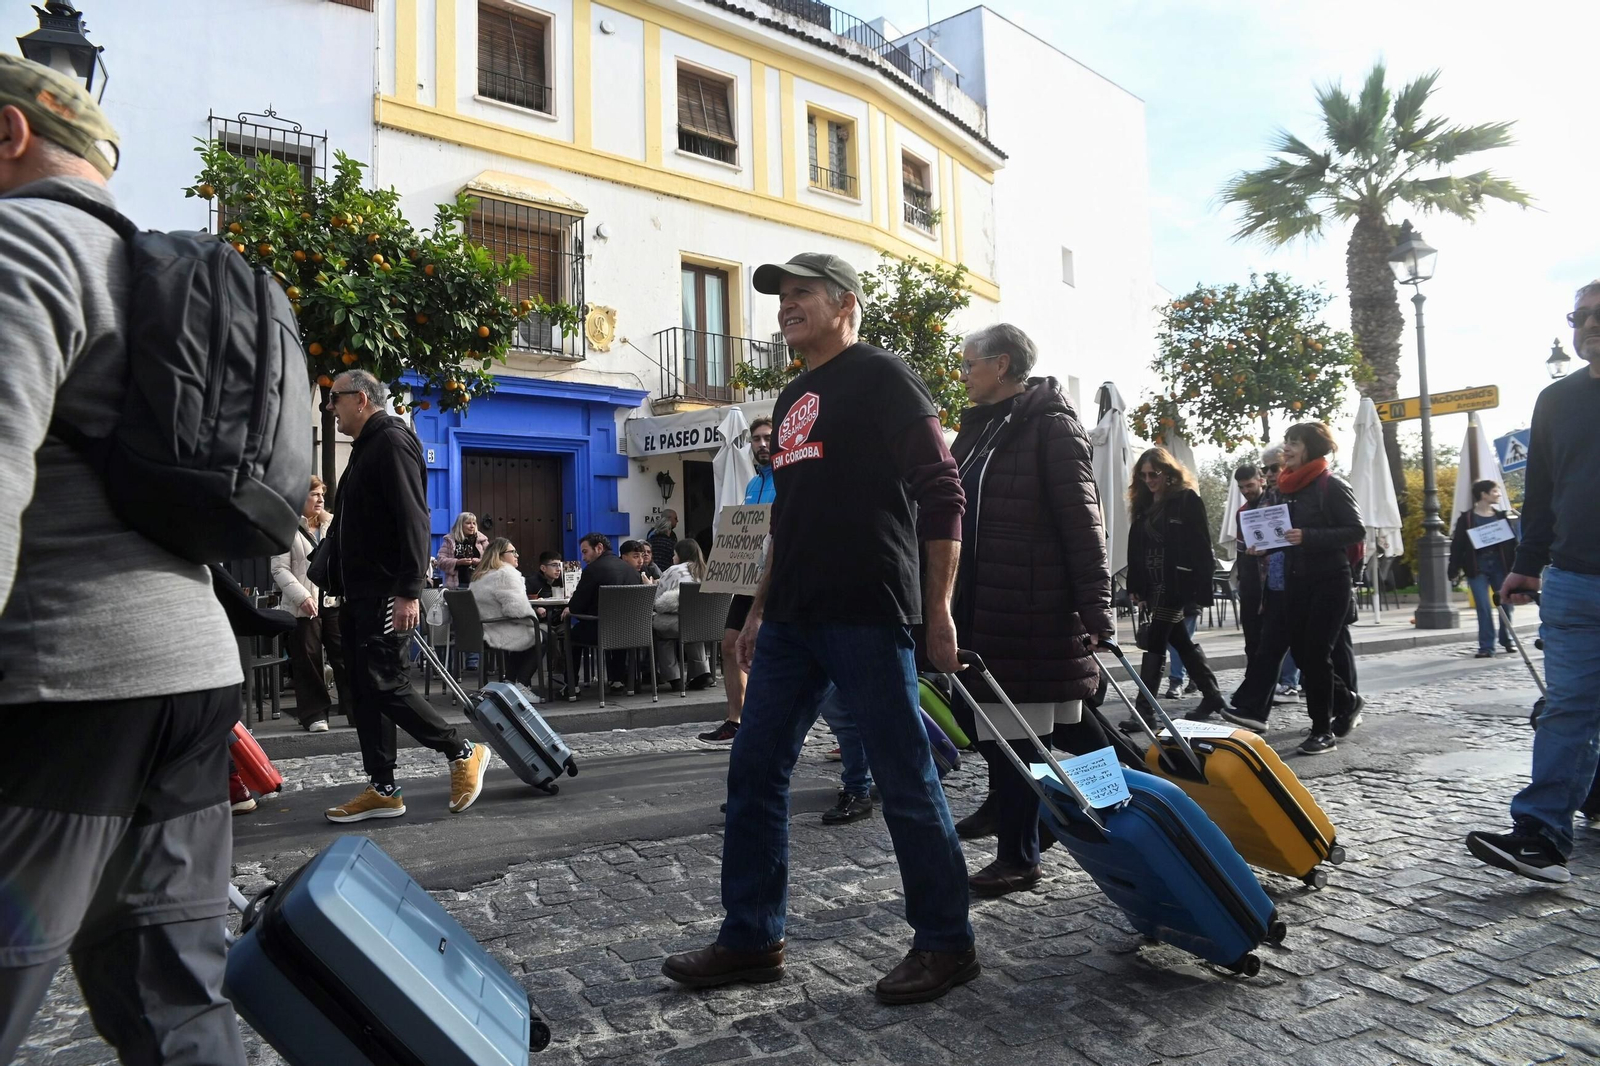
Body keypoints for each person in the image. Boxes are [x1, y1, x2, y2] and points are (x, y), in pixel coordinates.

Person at [0, 56, 248, 1063]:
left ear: (9, 133)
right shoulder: (152, 270)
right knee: (174, 1000)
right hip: (194, 675)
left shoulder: (18, 241)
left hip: (68, 682)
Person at [661, 252, 976, 1005]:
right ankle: (752, 938)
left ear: (845, 305)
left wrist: (938, 610)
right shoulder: (794, 393)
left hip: (868, 608)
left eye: (802, 293)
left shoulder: (883, 376)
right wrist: (757, 610)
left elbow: (943, 489)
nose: (785, 306)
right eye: (782, 297)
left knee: (904, 777)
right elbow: (787, 516)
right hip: (792, 618)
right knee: (753, 771)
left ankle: (946, 943)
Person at [946, 324, 1115, 896]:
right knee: (1020, 726)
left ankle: (1021, 854)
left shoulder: (1052, 427)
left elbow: (1083, 527)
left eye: (968, 363)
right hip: (983, 607)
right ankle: (1106, 800)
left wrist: (1097, 612)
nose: (962, 374)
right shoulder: (977, 429)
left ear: (1001, 364)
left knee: (1022, 734)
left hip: (1034, 611)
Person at [1466, 279, 1600, 884]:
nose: (1589, 324)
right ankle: (1540, 836)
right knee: (1567, 708)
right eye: (1580, 316)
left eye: (1599, 314)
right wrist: (1526, 562)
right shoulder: (1556, 400)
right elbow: (1541, 494)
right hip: (1572, 582)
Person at [320, 369, 491, 823]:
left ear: (360, 399)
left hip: (383, 591)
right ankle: (383, 788)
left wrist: (408, 591)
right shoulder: (367, 445)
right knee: (365, 689)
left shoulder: (391, 440)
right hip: (359, 593)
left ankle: (462, 751)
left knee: (384, 681)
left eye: (334, 399)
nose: (329, 408)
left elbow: (414, 519)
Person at [1222, 423, 1364, 754]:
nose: (1287, 448)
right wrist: (1263, 547)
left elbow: (1355, 530)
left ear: (1312, 448)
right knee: (1301, 653)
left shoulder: (1331, 485)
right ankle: (1347, 700)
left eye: (1295, 443)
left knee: (1316, 653)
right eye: (1286, 442)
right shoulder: (1283, 488)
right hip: (1293, 580)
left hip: (1329, 580)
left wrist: (1308, 536)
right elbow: (1279, 534)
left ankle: (1322, 730)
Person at [1124, 447, 1228, 723]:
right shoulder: (1143, 503)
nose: (1149, 480)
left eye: (1154, 474)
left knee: (1157, 640)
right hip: (1152, 583)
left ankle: (1144, 711)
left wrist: (1200, 587)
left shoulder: (1186, 499)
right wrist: (1136, 585)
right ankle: (1212, 695)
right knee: (1179, 640)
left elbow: (1202, 545)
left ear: (1168, 473)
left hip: (1176, 584)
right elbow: (1136, 548)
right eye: (1144, 475)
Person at [697, 416, 776, 743]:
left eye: (767, 437)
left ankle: (775, 722)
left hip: (776, 579)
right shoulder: (752, 484)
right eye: (756, 439)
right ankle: (736, 720)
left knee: (769, 650)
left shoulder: (787, 480)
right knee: (730, 644)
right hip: (747, 579)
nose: (762, 444)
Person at [271, 475, 352, 732]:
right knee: (308, 659)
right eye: (314, 494)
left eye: (322, 495)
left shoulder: (332, 524)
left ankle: (356, 710)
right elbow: (279, 569)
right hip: (302, 605)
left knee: (346, 656)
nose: (320, 499)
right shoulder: (285, 527)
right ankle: (314, 715)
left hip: (333, 601)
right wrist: (302, 597)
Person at [561, 532, 643, 691]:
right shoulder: (632, 572)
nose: (583, 557)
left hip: (599, 631)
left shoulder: (593, 570)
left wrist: (571, 609)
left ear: (599, 548)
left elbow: (577, 606)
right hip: (631, 632)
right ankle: (617, 680)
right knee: (619, 621)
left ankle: (571, 685)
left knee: (571, 633)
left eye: (585, 552)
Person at [1449, 480, 1518, 658]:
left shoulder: (1501, 516)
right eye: (1495, 491)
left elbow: (1512, 544)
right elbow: (1458, 545)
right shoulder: (1467, 519)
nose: (1498, 494)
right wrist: (1453, 567)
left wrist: (1516, 566)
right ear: (1484, 495)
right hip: (1477, 567)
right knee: (1483, 607)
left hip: (1500, 566)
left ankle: (1507, 639)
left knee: (1506, 604)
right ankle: (1486, 646)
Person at [472, 538, 542, 687]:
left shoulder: (479, 576)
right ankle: (522, 685)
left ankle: (510, 681)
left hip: (481, 631)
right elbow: (516, 610)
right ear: (499, 555)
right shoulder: (505, 574)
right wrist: (534, 620)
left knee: (527, 632)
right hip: (497, 631)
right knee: (543, 635)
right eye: (513, 552)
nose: (517, 555)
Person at [653, 539, 714, 692]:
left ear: (681, 555)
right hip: (709, 624)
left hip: (681, 623)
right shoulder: (708, 570)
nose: (673, 558)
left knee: (661, 632)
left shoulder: (673, 570)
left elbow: (657, 600)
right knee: (692, 629)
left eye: (674, 554)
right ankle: (702, 673)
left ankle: (674, 677)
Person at [437, 511, 487, 589]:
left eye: (474, 523)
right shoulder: (450, 541)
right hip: (456, 585)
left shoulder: (482, 540)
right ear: (460, 525)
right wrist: (457, 562)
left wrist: (479, 562)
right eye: (468, 523)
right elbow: (440, 561)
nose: (472, 526)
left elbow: (492, 560)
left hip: (480, 584)